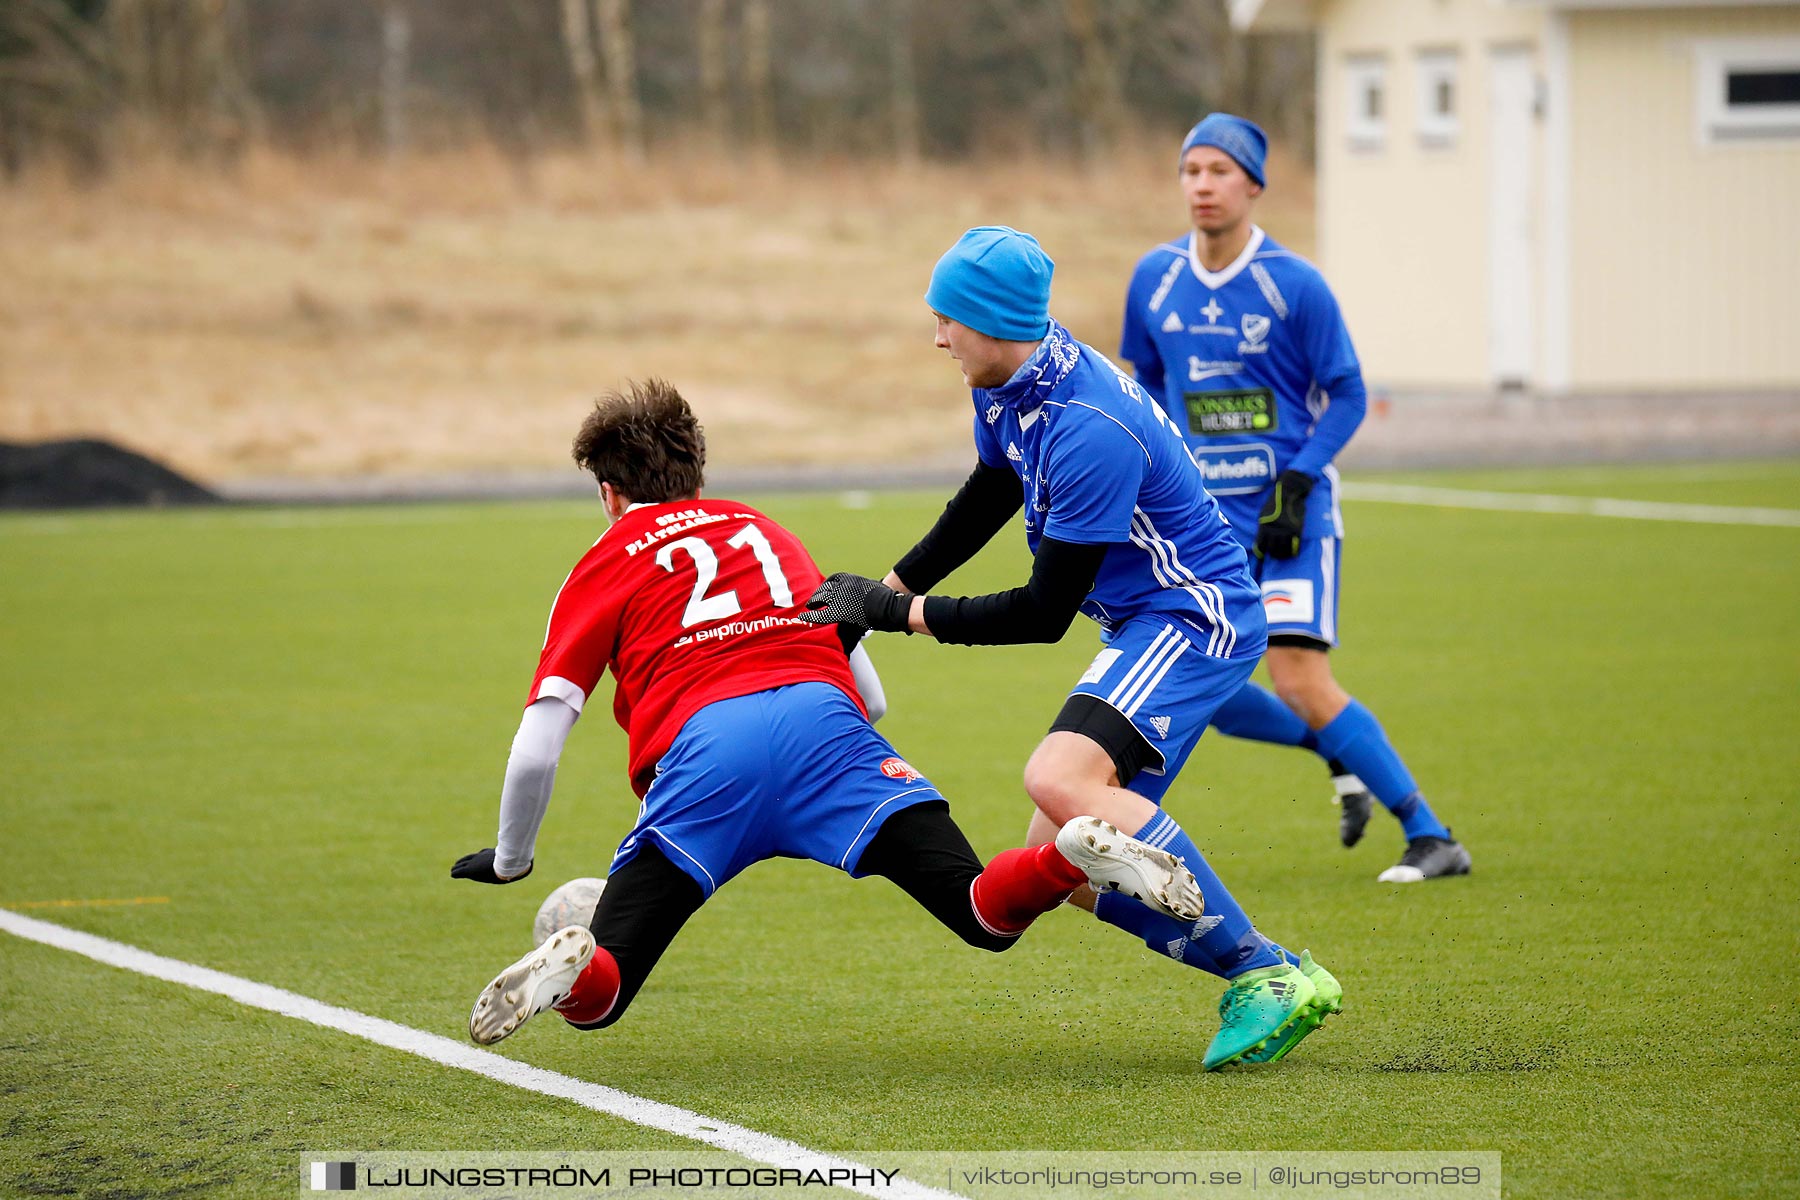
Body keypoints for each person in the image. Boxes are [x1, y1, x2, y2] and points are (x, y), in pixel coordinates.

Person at [448, 378, 1204, 1046]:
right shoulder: (764, 531)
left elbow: (540, 744)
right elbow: (867, 692)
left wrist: (511, 859)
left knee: (602, 998)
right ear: (697, 474)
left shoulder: (607, 557)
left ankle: (572, 964)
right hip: (825, 728)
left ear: (609, 495)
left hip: (711, 755)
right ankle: (1068, 855)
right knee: (979, 912)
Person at [801, 227, 1341, 1069]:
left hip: (1193, 619)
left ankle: (1261, 970)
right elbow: (991, 489)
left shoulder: (1089, 426)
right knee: (1068, 859)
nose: (937, 339)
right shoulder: (1011, 378)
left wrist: (900, 615)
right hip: (1144, 622)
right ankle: (1269, 967)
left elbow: (1044, 610)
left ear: (995, 322)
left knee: (1057, 779)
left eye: (949, 321)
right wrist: (887, 589)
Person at [1117, 114, 1471, 883]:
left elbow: (1347, 393)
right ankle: (1338, 751)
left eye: (1219, 171)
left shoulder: (1294, 284)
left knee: (1298, 678)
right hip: (1200, 526)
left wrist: (1300, 479)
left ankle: (1432, 835)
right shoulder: (1155, 279)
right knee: (1203, 690)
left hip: (1290, 519)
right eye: (1191, 170)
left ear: (1253, 184)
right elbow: (1140, 385)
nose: (1202, 185)